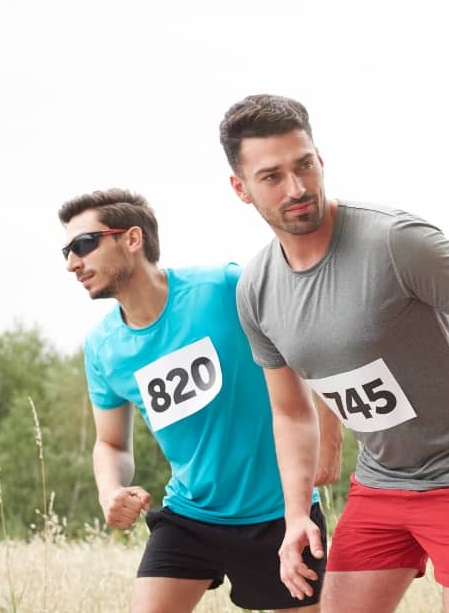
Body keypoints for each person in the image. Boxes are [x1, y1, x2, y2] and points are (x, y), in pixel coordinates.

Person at [218, 94, 449, 612]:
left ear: (320, 159)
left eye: (304, 166)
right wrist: (297, 514)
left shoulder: (395, 240)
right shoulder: (255, 289)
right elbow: (290, 410)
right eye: (272, 176)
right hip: (382, 484)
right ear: (241, 188)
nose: (297, 188)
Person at [58, 188, 327, 612]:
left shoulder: (223, 286)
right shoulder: (103, 348)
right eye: (67, 251)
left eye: (84, 245)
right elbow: (110, 443)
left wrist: (328, 439)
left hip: (279, 514)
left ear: (132, 239)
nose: (73, 263)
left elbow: (310, 343)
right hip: (190, 514)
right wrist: (110, 490)